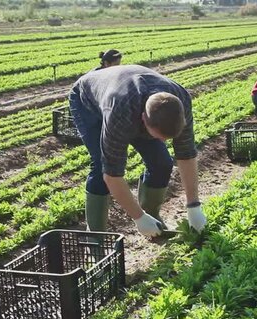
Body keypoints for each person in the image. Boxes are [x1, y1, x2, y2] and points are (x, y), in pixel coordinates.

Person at [68, 65, 207, 237]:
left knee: (162, 163)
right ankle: (96, 238)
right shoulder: (119, 113)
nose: (163, 142)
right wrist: (138, 217)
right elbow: (111, 175)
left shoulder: (181, 101)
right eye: (159, 136)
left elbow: (186, 155)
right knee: (99, 167)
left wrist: (194, 206)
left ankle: (153, 219)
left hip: (131, 96)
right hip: (88, 101)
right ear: (143, 120)